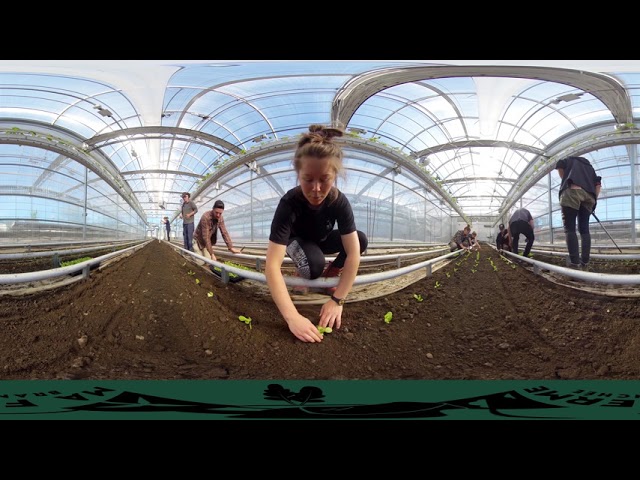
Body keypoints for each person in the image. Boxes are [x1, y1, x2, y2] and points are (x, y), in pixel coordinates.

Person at [265, 124, 368, 343]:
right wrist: (292, 317)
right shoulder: (289, 203)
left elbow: (353, 253)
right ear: (298, 175)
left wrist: (337, 300)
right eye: (308, 179)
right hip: (298, 241)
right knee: (313, 267)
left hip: (321, 239)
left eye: (325, 179)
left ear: (335, 176)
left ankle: (332, 272)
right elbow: (272, 265)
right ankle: (305, 272)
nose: (316, 189)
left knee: (360, 240)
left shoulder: (339, 201)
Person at [555, 156, 602, 269]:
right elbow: (598, 185)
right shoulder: (590, 168)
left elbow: (559, 164)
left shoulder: (571, 160)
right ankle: (585, 262)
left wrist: (565, 179)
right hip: (589, 196)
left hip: (572, 190)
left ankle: (575, 264)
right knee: (584, 229)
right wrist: (594, 200)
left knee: (570, 228)